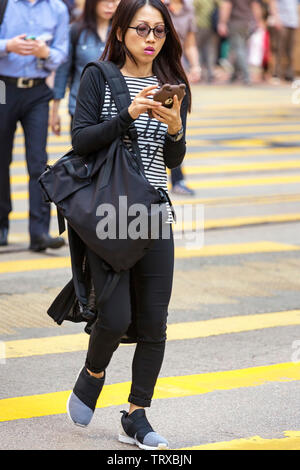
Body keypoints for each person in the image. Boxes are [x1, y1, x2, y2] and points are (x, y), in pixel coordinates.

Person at [66, 0, 191, 450]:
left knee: (154, 322)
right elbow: (80, 141)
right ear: (120, 32)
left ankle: (137, 415)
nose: (151, 39)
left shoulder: (172, 83)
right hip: (108, 213)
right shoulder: (98, 76)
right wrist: (127, 116)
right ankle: (93, 371)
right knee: (115, 317)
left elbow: (173, 160)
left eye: (159, 31)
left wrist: (175, 128)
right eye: (141, 29)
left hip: (155, 211)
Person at [0, 0, 69, 250]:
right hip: (3, 87)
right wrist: (8, 45)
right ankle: (1, 225)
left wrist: (45, 53)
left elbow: (62, 52)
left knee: (38, 163)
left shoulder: (58, 8)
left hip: (38, 91)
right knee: (1, 158)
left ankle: (39, 232)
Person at [50, 0, 119, 136]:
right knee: (81, 155)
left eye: (114, 1)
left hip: (114, 111)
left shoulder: (122, 32)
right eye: (105, 1)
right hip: (80, 109)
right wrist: (55, 111)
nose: (110, 6)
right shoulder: (76, 31)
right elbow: (63, 71)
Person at [164, 0, 200, 196]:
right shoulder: (153, 6)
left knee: (177, 131)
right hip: (154, 75)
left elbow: (190, 44)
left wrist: (195, 67)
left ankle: (178, 180)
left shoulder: (188, 9)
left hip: (178, 77)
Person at [218, 0, 263, 85]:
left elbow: (226, 6)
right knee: (240, 49)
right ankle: (234, 75)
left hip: (235, 23)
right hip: (248, 23)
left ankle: (246, 76)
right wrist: (258, 21)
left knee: (238, 50)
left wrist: (222, 23)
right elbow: (255, 6)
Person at [268, 0, 299, 83]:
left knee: (290, 51)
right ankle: (276, 74)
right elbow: (272, 3)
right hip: (281, 22)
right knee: (278, 49)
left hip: (292, 23)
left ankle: (289, 75)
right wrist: (276, 19)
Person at [194, 0, 221, 83]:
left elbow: (194, 11)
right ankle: (210, 74)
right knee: (210, 51)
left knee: (197, 50)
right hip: (212, 26)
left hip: (199, 26)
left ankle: (200, 74)